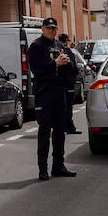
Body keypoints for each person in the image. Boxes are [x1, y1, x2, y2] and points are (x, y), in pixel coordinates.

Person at [26, 17, 77, 180]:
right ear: (42, 29)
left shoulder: (60, 45)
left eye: (53, 28)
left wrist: (67, 63)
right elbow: (36, 70)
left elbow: (73, 68)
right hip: (44, 92)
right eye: (48, 28)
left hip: (59, 92)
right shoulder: (36, 46)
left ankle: (58, 166)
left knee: (60, 131)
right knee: (45, 130)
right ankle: (43, 169)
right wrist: (55, 63)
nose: (51, 31)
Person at [57, 33, 82, 134]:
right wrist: (75, 75)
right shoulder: (66, 50)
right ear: (66, 41)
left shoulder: (56, 49)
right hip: (67, 82)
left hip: (60, 83)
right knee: (67, 106)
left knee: (62, 106)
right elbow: (72, 66)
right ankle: (68, 127)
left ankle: (65, 126)